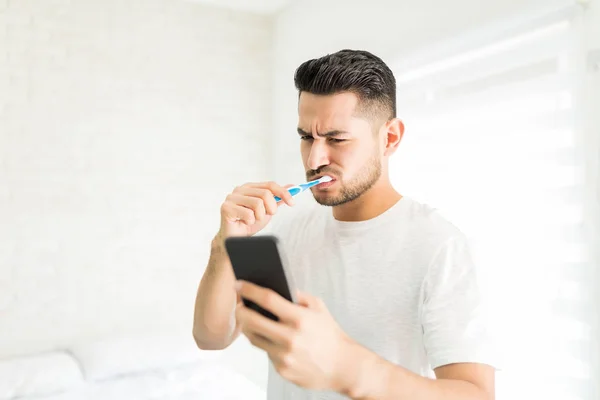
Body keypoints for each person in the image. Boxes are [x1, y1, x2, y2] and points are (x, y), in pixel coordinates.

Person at [192, 49, 496, 400]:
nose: (315, 159)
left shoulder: (439, 245)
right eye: (306, 137)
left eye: (336, 139)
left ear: (390, 138)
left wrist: (346, 367)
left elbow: (476, 395)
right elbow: (211, 337)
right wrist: (225, 244)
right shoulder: (289, 232)